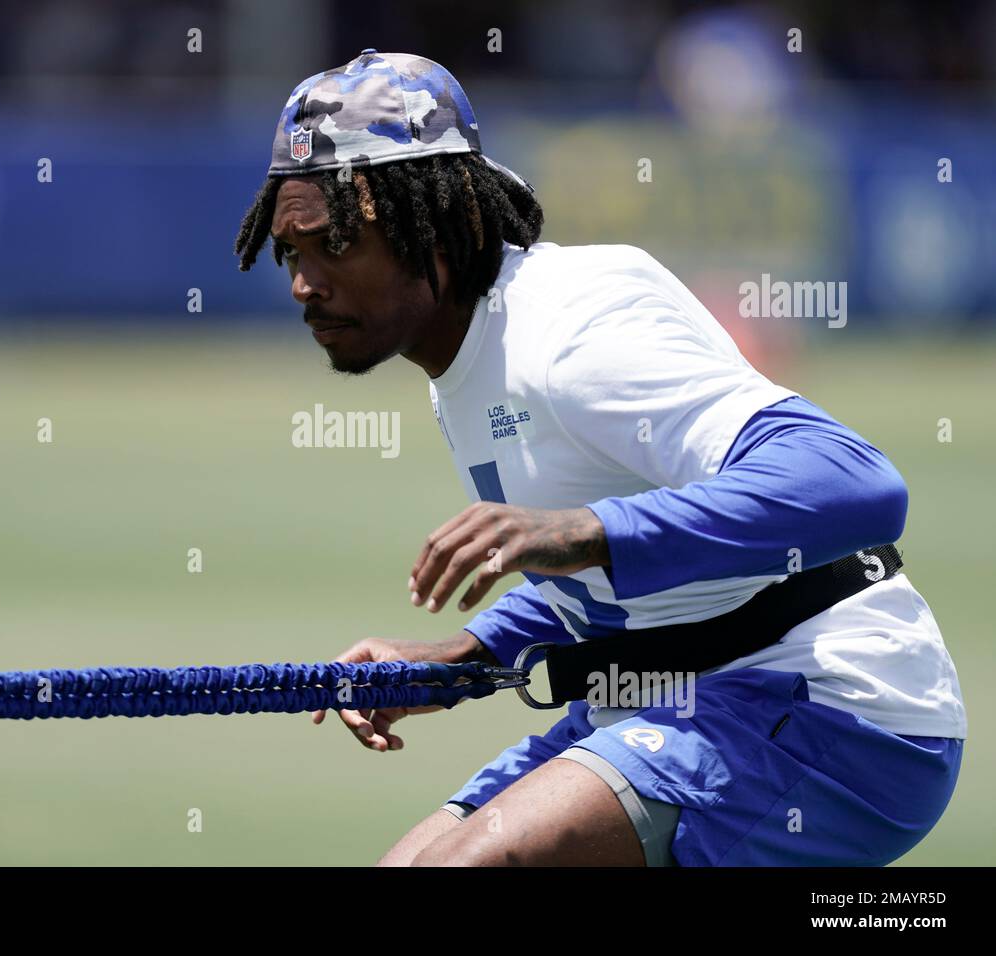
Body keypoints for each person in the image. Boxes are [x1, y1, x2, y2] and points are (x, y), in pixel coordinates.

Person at [234, 49, 966, 866]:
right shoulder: (463, 358)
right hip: (668, 697)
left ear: (430, 226)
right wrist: (473, 657)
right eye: (290, 253)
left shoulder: (571, 330)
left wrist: (582, 530)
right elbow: (634, 570)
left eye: (334, 243)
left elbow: (855, 482)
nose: (304, 282)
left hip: (834, 710)